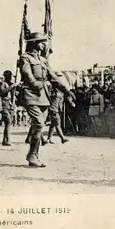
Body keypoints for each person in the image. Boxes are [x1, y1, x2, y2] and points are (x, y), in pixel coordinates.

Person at [19, 32, 75, 167]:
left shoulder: (43, 60)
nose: (44, 44)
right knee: (38, 123)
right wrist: (35, 84)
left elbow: (53, 77)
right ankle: (32, 154)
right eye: (42, 41)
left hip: (44, 96)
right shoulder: (25, 57)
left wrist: (67, 90)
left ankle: (34, 156)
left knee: (39, 126)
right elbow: (26, 73)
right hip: (31, 94)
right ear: (34, 43)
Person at [43, 72, 72, 144]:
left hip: (57, 109)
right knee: (57, 123)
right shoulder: (53, 89)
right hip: (53, 108)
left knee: (53, 124)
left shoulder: (60, 90)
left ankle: (48, 139)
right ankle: (63, 138)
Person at [0, 70, 19, 146]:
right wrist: (12, 87)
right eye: (8, 76)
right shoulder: (2, 84)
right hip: (4, 104)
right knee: (8, 120)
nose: (10, 78)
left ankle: (5, 140)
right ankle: (8, 139)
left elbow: (15, 94)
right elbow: (2, 92)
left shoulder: (12, 84)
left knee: (8, 123)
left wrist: (16, 89)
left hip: (11, 105)